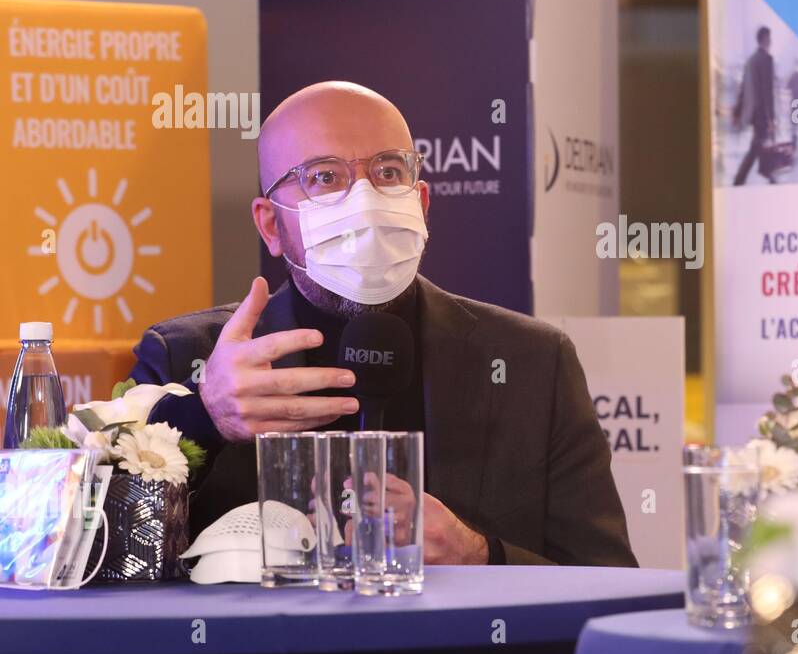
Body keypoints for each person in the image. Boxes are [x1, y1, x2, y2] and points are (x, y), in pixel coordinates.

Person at [127, 81, 636, 567]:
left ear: (422, 202)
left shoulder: (531, 364)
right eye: (324, 177)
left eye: (389, 171)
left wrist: (480, 554)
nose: (365, 199)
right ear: (270, 224)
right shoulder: (184, 358)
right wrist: (206, 419)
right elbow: (117, 559)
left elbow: (607, 577)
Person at [732, 26, 777, 184]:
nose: (771, 40)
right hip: (762, 114)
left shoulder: (750, 60)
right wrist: (771, 118)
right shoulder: (766, 60)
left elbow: (743, 89)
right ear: (764, 39)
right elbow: (767, 90)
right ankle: (740, 180)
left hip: (753, 113)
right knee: (756, 148)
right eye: (769, 37)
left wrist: (737, 112)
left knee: (759, 145)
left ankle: (766, 173)